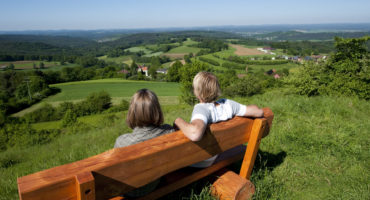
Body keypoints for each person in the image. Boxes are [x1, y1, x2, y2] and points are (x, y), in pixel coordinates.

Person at [174, 71, 264, 167]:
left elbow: (195, 134)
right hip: (222, 148)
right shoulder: (228, 104)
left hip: (205, 159)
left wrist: (178, 121)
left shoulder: (202, 109)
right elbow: (259, 112)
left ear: (197, 92)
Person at [114, 89, 174, 197]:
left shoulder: (121, 142)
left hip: (129, 191)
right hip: (153, 183)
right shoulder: (169, 132)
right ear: (157, 110)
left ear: (132, 112)